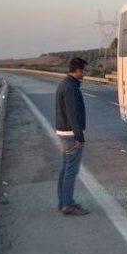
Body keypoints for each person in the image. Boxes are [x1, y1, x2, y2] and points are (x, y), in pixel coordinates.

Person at [55, 57, 90, 216]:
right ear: (77, 70)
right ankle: (68, 205)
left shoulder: (65, 84)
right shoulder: (71, 87)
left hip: (64, 133)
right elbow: (73, 114)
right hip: (71, 134)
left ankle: (63, 202)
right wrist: (79, 137)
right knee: (71, 170)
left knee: (65, 169)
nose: (85, 73)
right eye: (83, 70)